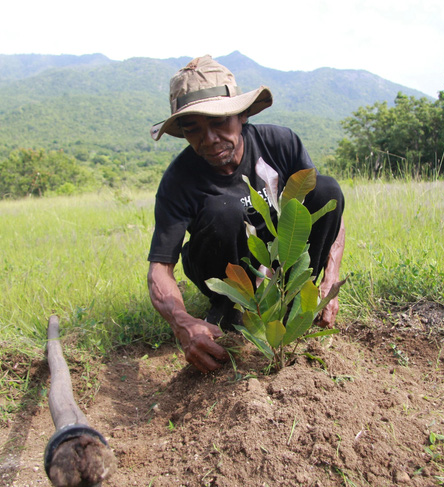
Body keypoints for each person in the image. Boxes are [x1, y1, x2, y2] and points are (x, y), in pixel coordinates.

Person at [147, 55, 345, 373]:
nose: (209, 139)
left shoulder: (280, 143)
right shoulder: (179, 179)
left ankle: (295, 300)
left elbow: (328, 214)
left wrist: (330, 282)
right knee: (222, 210)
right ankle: (233, 309)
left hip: (279, 259)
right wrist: (182, 323)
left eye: (218, 121)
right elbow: (160, 270)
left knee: (327, 190)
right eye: (193, 129)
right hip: (221, 264)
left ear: (241, 115)